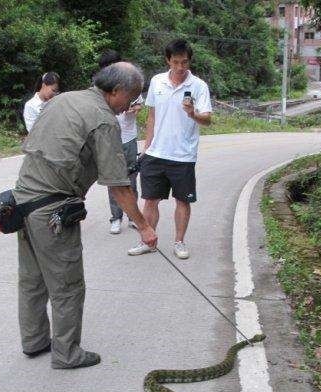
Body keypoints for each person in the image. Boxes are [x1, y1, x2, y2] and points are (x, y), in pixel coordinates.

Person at [13, 62, 157, 369]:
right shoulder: (104, 121)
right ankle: (66, 353)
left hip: (21, 201)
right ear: (115, 91)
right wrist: (144, 227)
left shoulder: (64, 99)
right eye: (130, 98)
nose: (130, 105)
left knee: (33, 279)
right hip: (52, 209)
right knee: (67, 285)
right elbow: (118, 186)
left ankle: (35, 341)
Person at [127, 39, 212, 259]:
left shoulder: (199, 86)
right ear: (168, 60)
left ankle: (179, 242)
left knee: (182, 200)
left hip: (183, 155)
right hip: (155, 153)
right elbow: (152, 117)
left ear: (189, 61)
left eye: (184, 62)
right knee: (150, 199)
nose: (180, 67)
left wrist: (192, 113)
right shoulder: (157, 82)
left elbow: (207, 120)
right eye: (176, 62)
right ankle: (147, 240)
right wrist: (146, 149)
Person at [97, 50, 143, 234]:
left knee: (131, 178)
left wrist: (133, 109)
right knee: (113, 179)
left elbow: (139, 103)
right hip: (109, 140)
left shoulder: (131, 83)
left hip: (129, 137)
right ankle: (116, 217)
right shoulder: (100, 87)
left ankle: (133, 216)